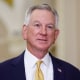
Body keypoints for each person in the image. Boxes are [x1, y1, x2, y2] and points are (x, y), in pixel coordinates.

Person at [0, 4, 80, 80]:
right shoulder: (2, 72)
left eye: (49, 27)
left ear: (55, 35)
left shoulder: (73, 74)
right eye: (37, 25)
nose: (43, 32)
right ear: (25, 31)